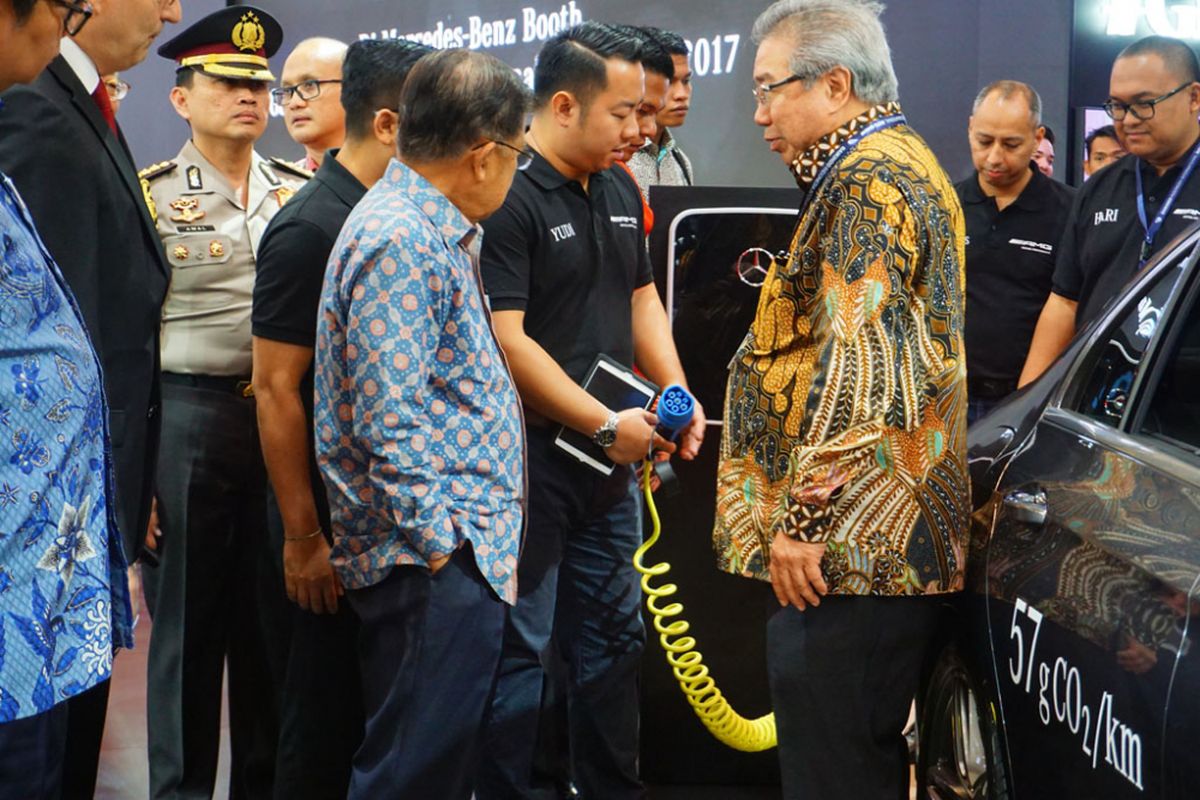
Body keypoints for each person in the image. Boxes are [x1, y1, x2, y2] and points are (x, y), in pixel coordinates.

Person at [715, 2, 969, 797]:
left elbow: (863, 366)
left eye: (769, 90)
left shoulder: (868, 180)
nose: (758, 114)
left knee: (834, 770)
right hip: (867, 552)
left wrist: (804, 523)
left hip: (846, 554)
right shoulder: (891, 163)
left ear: (834, 83)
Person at [476, 21, 705, 799]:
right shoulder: (505, 194)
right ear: (565, 105)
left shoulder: (618, 186)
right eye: (624, 114)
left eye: (645, 114)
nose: (640, 130)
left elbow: (640, 296)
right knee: (521, 653)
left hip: (611, 470)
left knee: (614, 643)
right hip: (530, 470)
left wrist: (676, 391)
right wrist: (603, 423)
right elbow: (510, 341)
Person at [313, 47, 530, 800]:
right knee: (410, 771)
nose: (516, 170)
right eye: (517, 152)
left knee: (433, 766)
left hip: (447, 555)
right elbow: (387, 417)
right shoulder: (403, 237)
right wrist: (443, 547)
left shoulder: (425, 226)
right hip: (429, 559)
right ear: (482, 156)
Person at [0, 0, 180, 793]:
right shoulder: (36, 111)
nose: (173, 11)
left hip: (84, 509)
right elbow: (47, 354)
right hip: (46, 526)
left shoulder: (83, 106)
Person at [252, 37, 431, 800]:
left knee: (375, 715)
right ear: (390, 124)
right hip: (325, 520)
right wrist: (303, 537)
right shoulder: (310, 228)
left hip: (383, 515)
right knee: (320, 718)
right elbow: (274, 388)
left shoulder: (395, 214)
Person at [139, 7, 309, 798]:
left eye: (260, 86)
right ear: (181, 98)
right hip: (189, 419)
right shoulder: (151, 196)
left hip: (281, 421)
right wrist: (138, 467)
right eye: (230, 82)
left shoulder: (298, 190)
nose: (250, 96)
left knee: (271, 626)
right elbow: (130, 334)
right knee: (186, 627)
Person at [1021, 35, 1200, 386]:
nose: (1128, 119)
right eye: (1117, 105)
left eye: (1144, 104)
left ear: (1194, 98)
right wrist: (1024, 408)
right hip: (1096, 400)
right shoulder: (1098, 190)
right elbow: (1064, 303)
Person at [957, 81, 1074, 422]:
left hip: (1030, 400)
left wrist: (1026, 402)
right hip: (948, 398)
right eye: (983, 141)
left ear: (1037, 139)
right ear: (969, 129)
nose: (994, 157)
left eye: (1011, 144)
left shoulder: (1070, 211)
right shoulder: (946, 205)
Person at [628, 26, 694, 189]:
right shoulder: (615, 157)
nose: (681, 94)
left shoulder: (681, 161)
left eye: (686, 81)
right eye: (670, 82)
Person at [274, 36, 347, 171]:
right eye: (287, 90)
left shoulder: (392, 179)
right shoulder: (284, 188)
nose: (295, 103)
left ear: (351, 89)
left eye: (309, 85)